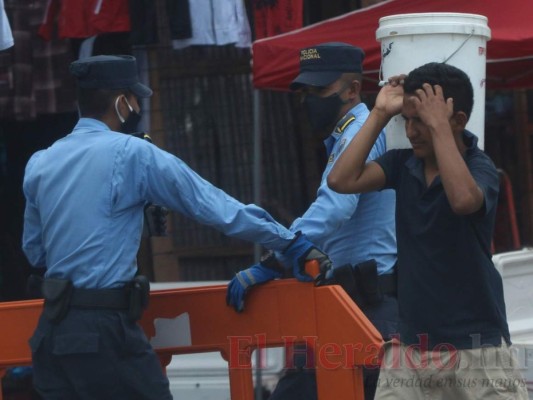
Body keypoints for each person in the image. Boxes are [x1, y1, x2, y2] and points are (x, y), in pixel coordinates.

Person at [21, 54, 332, 400]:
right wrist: (289, 242)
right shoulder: (133, 153)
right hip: (104, 332)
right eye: (135, 97)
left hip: (51, 332)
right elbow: (214, 207)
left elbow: (35, 251)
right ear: (121, 102)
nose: (138, 105)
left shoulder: (40, 162)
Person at [327, 62, 528, 399]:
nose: (411, 131)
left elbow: (463, 200)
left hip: (476, 348)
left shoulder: (481, 169)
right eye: (407, 121)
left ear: (458, 121)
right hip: (411, 347)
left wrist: (439, 127)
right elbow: (340, 180)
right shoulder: (401, 165)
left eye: (421, 121)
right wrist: (378, 114)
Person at [226, 42, 398, 400]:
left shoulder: (360, 132)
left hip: (368, 304)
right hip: (350, 302)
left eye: (321, 91)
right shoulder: (349, 134)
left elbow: (334, 208)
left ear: (352, 90)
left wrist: (280, 256)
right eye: (305, 92)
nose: (310, 101)